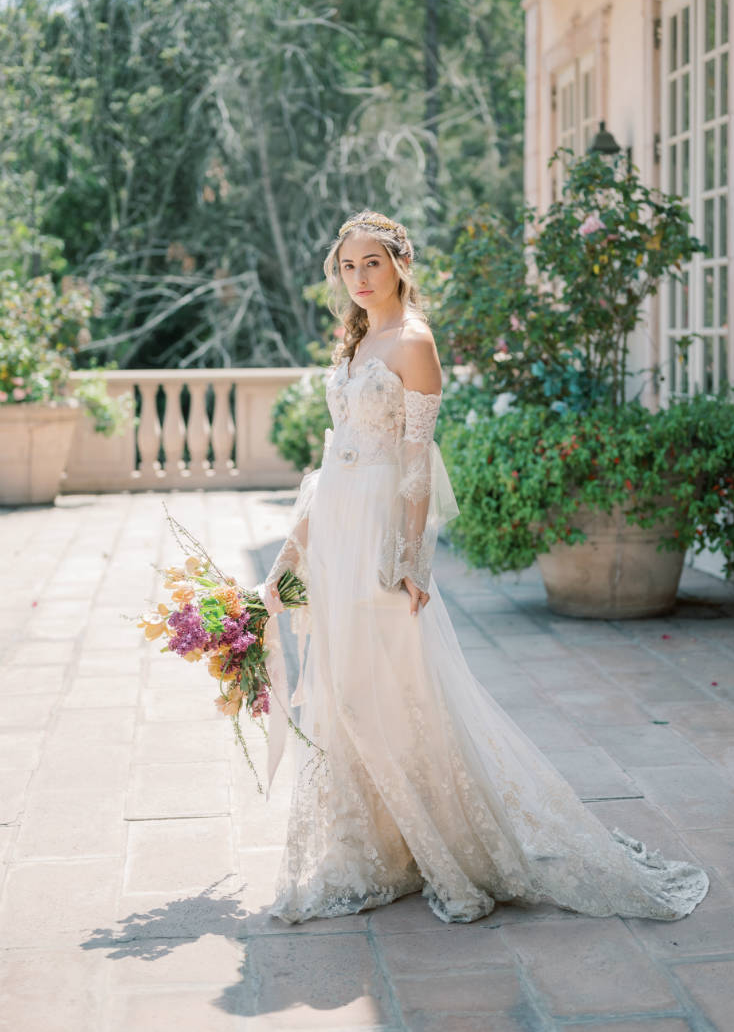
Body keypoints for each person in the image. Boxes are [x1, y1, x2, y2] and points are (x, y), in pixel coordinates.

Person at [257, 209, 710, 926]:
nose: (359, 278)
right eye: (348, 266)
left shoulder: (414, 342)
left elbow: (415, 463)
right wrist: (294, 552)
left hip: (377, 526)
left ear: (400, 263)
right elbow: (332, 454)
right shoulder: (359, 336)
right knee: (344, 683)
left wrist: (410, 559)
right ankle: (373, 845)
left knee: (394, 685)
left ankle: (443, 843)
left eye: (371, 263)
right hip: (338, 520)